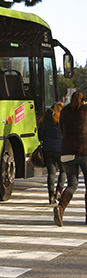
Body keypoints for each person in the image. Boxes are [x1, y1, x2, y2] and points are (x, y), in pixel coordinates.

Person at [54, 91, 87, 226]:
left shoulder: (65, 111)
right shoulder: (86, 110)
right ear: (83, 101)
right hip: (85, 151)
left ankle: (60, 208)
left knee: (72, 184)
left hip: (67, 151)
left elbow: (62, 130)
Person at [38, 102, 66, 205]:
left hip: (48, 149)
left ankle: (51, 196)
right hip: (61, 149)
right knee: (63, 170)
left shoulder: (44, 119)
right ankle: (59, 191)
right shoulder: (62, 120)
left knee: (51, 173)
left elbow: (40, 135)